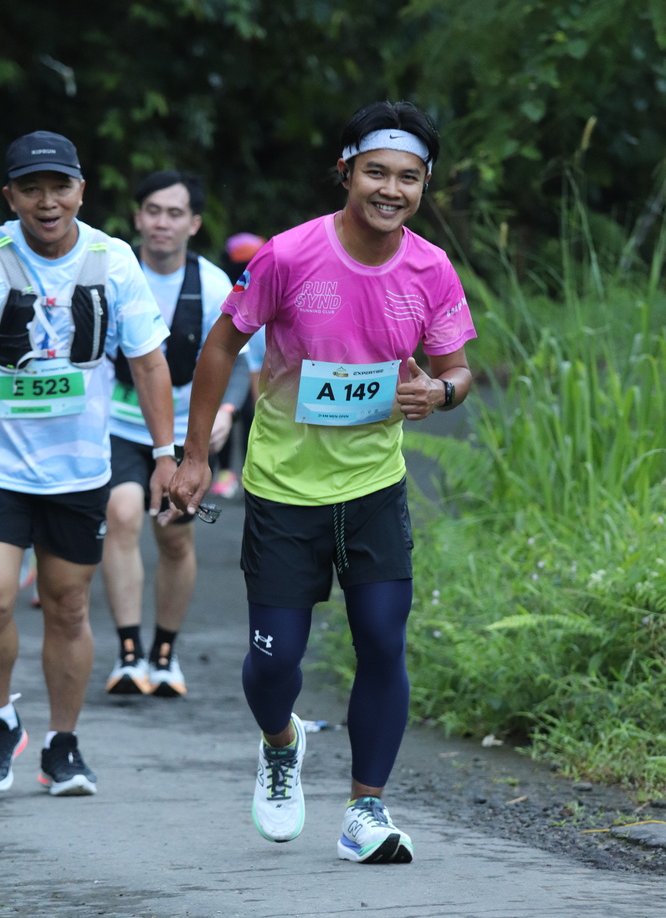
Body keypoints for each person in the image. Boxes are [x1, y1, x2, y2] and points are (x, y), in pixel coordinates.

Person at [168, 101, 477, 863]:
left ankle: (366, 809)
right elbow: (222, 344)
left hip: (373, 489)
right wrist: (195, 456)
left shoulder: (431, 269)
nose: (391, 189)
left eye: (408, 177)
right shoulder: (289, 255)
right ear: (345, 171)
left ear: (424, 184)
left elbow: (457, 370)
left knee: (382, 642)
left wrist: (439, 393)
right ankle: (282, 742)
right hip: (284, 490)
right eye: (376, 171)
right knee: (276, 662)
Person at [0, 131, 175, 796]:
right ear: (10, 196)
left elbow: (149, 362)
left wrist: (166, 456)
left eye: (60, 187)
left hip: (78, 470)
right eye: (31, 189)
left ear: (81, 190)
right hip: (2, 467)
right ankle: (2, 719)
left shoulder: (113, 259)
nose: (47, 202)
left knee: (69, 606)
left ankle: (61, 746)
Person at [102, 171, 249, 698]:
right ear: (137, 217)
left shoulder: (213, 285)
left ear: (194, 224)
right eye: (153, 211)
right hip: (120, 423)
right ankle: (128, 654)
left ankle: (164, 654)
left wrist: (226, 411)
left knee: (173, 534)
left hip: (187, 429)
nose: (162, 222)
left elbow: (237, 360)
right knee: (121, 513)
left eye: (174, 213)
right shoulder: (113, 275)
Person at [210, 233, 266, 499]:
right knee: (228, 414)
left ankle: (246, 471)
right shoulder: (224, 292)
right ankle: (226, 473)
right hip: (232, 370)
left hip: (256, 370)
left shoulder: (266, 291)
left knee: (249, 415)